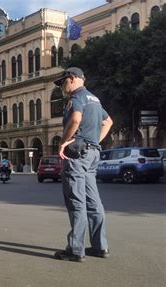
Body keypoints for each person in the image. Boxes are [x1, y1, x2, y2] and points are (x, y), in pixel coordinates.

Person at [53, 67, 113, 262]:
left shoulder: (76, 98)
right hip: (92, 153)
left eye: (63, 82)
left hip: (77, 155)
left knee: (76, 201)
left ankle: (75, 250)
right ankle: (100, 246)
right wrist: (95, 141)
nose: (62, 86)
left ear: (72, 79)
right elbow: (108, 122)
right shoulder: (94, 99)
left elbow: (76, 118)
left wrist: (63, 142)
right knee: (93, 202)